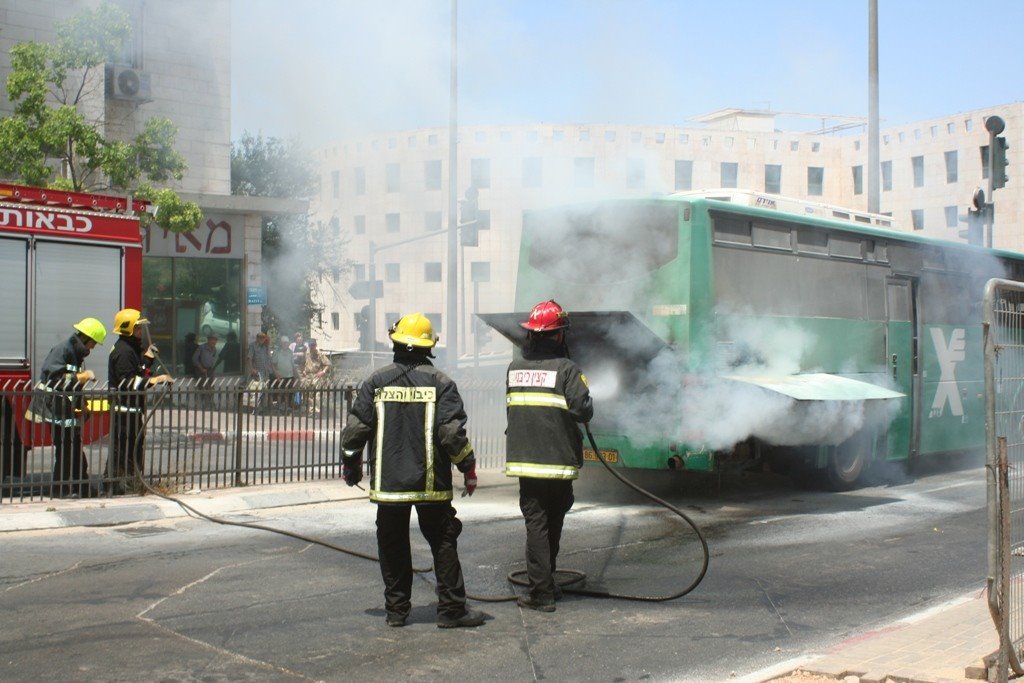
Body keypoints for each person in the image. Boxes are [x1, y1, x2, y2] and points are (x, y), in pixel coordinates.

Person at [340, 313, 484, 629]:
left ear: (395, 343)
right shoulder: (442, 383)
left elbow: (354, 432)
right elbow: (451, 435)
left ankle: (396, 611)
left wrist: (351, 466)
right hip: (431, 483)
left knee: (392, 545)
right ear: (429, 347)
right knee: (443, 542)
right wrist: (468, 467)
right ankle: (451, 611)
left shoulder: (375, 383)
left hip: (389, 485)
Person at [505, 300, 593, 612]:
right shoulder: (568, 370)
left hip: (526, 461)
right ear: (558, 336)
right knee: (551, 523)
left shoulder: (514, 370)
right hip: (558, 461)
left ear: (531, 335)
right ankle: (542, 590)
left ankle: (543, 585)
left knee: (537, 524)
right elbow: (583, 411)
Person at [26, 317, 108, 498]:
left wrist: (82, 404)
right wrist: (81, 377)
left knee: (71, 450)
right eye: (93, 343)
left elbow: (70, 385)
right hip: (54, 409)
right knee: (67, 450)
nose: (93, 348)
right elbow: (54, 381)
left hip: (64, 409)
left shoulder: (74, 352)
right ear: (86, 338)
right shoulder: (63, 351)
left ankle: (76, 488)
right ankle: (63, 489)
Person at [105, 309, 173, 495]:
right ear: (129, 329)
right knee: (125, 450)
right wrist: (154, 380)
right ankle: (122, 485)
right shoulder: (123, 351)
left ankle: (121, 483)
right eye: (138, 328)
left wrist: (147, 359)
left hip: (131, 410)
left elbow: (137, 371)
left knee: (129, 448)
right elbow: (127, 382)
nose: (141, 332)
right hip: (124, 411)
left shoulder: (129, 349)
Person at [300, 339, 332, 416]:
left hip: (317, 376)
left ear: (316, 345)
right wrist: (303, 370)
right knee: (309, 395)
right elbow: (302, 363)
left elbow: (328, 364)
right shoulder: (306, 353)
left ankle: (317, 411)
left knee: (317, 394)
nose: (312, 347)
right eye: (311, 345)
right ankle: (311, 411)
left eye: (313, 345)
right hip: (308, 376)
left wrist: (323, 372)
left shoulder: (319, 354)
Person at [246, 331, 276, 414]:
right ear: (257, 338)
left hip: (265, 372)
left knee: (264, 391)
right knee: (256, 391)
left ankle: (263, 408)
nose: (262, 340)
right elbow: (249, 358)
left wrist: (268, 345)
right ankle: (255, 409)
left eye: (264, 338)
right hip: (257, 373)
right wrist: (252, 369)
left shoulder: (265, 347)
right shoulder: (253, 346)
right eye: (261, 338)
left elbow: (268, 359)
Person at [192, 334, 219, 409]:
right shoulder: (201, 348)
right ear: (208, 340)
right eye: (212, 340)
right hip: (201, 370)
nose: (214, 342)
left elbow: (213, 358)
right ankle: (205, 405)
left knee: (211, 387)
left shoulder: (214, 349)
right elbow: (194, 359)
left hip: (210, 370)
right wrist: (201, 368)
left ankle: (211, 404)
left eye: (215, 341)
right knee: (203, 387)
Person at [273, 335, 297, 412]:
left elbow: (293, 364)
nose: (285, 344)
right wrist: (276, 374)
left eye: (287, 343)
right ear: (281, 343)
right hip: (280, 375)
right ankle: (279, 406)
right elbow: (273, 364)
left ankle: (287, 406)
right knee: (280, 391)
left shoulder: (290, 352)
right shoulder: (277, 351)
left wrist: (295, 375)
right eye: (284, 343)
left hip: (289, 375)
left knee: (288, 392)